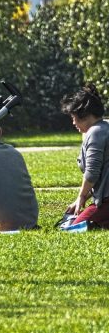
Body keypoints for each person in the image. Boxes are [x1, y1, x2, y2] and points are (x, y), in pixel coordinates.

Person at [61, 83, 109, 228]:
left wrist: (81, 197)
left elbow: (92, 173)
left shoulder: (95, 133)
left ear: (85, 115)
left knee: (76, 227)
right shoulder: (103, 128)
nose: (73, 122)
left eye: (74, 117)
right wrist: (80, 200)